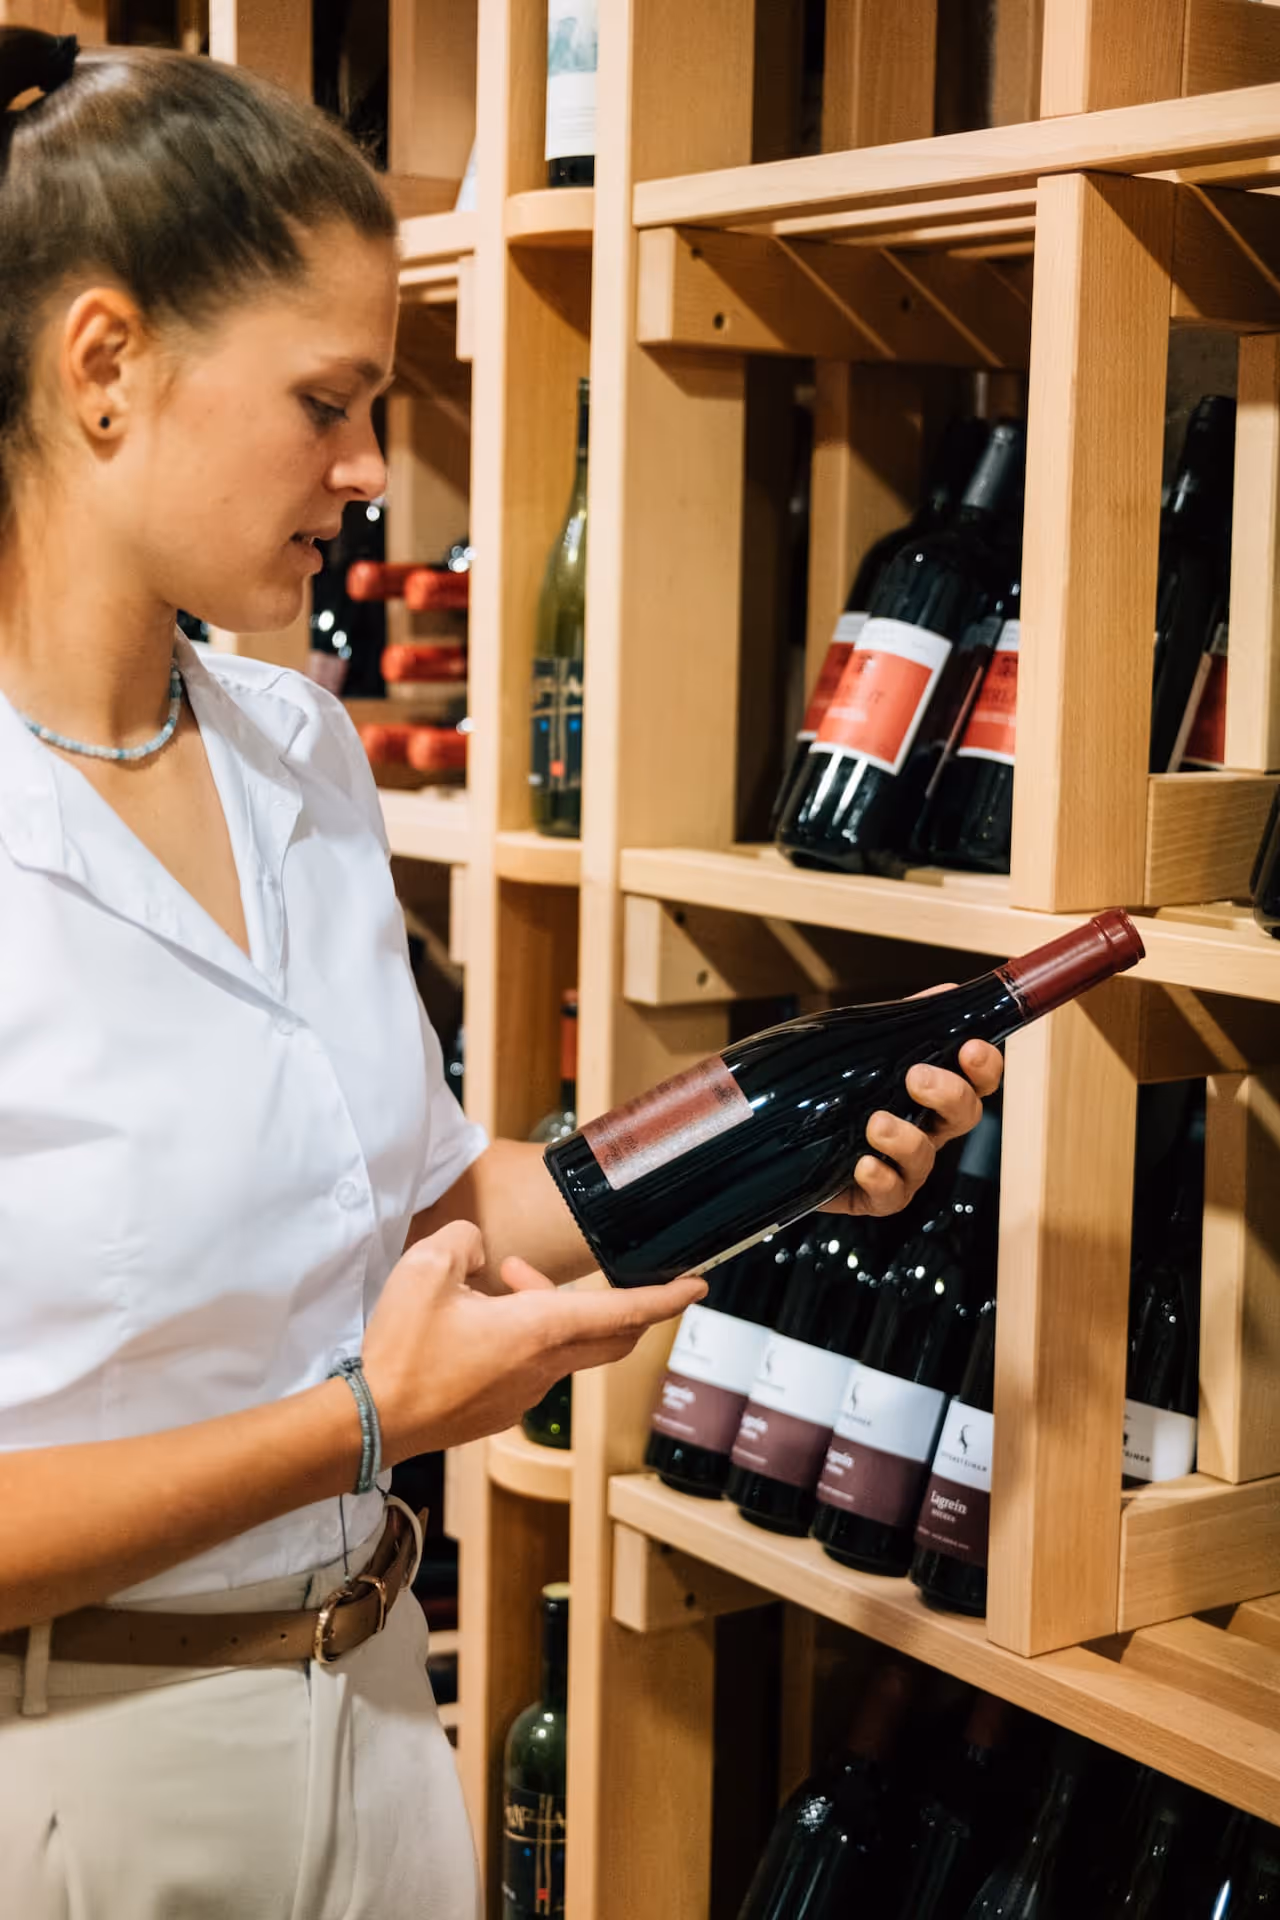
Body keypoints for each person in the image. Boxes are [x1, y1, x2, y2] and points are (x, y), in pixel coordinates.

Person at [0, 28, 1004, 1919]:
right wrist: (367, 1426)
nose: (375, 468)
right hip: (64, 1790)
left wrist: (783, 1125)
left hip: (374, 1727)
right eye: (331, 400)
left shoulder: (299, 751)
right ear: (107, 367)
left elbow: (442, 1203)